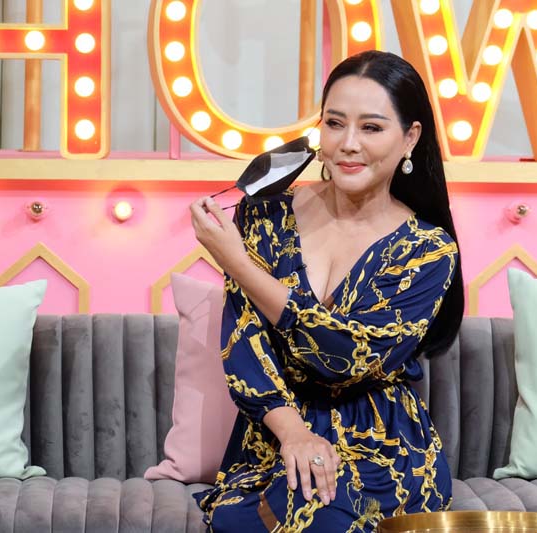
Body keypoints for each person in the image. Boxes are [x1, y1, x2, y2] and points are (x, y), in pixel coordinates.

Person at [189, 50, 464, 532]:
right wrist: (294, 434)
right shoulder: (265, 214)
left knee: (323, 511)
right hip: (274, 436)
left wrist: (237, 263)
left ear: (410, 137)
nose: (348, 144)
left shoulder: (428, 250)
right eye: (335, 124)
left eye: (371, 128)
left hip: (382, 446)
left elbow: (345, 356)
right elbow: (245, 346)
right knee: (264, 512)